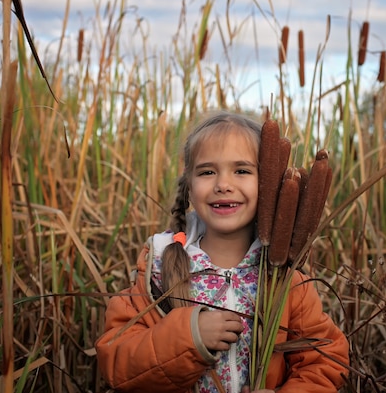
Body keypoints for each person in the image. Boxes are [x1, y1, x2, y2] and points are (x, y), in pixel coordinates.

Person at [95, 111, 349, 393]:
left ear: (267, 184)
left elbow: (325, 362)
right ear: (189, 186)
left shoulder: (286, 280)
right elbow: (117, 360)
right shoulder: (159, 270)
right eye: (207, 172)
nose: (223, 185)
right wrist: (189, 337)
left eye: (241, 170)